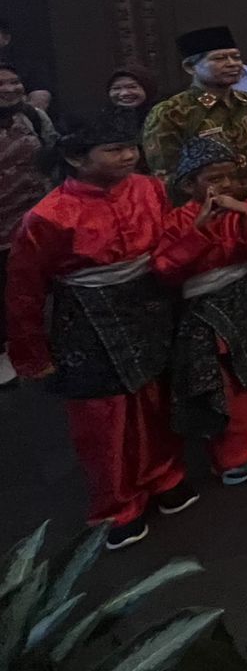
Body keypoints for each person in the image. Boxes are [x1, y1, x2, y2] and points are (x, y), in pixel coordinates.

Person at [5, 109, 194, 548]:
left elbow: (167, 240)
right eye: (115, 150)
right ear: (76, 158)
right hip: (88, 317)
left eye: (131, 147)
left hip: (148, 300)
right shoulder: (49, 215)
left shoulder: (149, 188)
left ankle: (164, 475)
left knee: (154, 396)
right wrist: (31, 352)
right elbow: (24, 290)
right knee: (103, 416)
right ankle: (116, 504)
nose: (129, 156)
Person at [154, 137, 247, 485]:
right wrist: (198, 230)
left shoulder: (238, 208)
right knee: (226, 382)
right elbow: (165, 269)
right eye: (215, 178)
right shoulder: (175, 221)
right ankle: (233, 453)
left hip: (243, 293)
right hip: (205, 306)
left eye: (230, 176)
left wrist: (246, 216)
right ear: (188, 184)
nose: (226, 185)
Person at [143, 26, 247, 189]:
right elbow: (166, 176)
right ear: (190, 67)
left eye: (236, 57)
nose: (233, 64)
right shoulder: (171, 112)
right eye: (219, 58)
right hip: (206, 207)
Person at [0, 64, 55, 387]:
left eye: (15, 81)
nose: (9, 88)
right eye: (1, 84)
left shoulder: (33, 117)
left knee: (37, 290)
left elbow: (53, 155)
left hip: (34, 221)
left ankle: (39, 352)